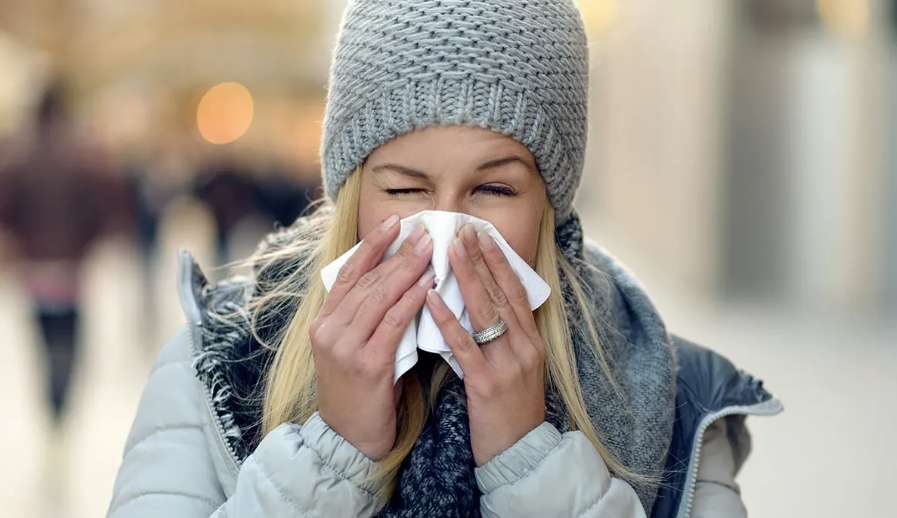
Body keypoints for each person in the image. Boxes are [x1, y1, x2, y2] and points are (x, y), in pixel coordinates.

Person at [107, 1, 783, 517]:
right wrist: (330, 454)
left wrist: (532, 462)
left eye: (493, 188)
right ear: (352, 191)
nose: (448, 228)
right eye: (404, 189)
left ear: (549, 201)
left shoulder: (670, 392)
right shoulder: (219, 360)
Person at [0, 82, 129, 425]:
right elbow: (109, 203)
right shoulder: (83, 151)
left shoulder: (18, 152)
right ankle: (62, 397)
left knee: (44, 336)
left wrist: (17, 244)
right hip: (72, 266)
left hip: (34, 267)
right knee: (68, 336)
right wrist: (88, 244)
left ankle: (51, 396)